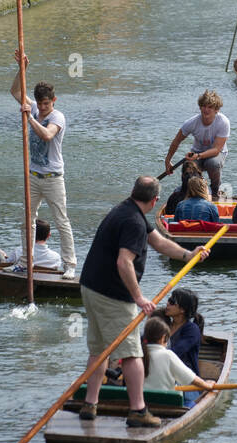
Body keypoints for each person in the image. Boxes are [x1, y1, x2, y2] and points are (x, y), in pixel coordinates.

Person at [77, 178, 210, 426]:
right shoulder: (133, 222)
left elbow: (158, 241)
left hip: (90, 287)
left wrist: (188, 255)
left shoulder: (125, 210)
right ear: (155, 201)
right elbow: (123, 262)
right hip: (112, 295)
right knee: (133, 354)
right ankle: (138, 410)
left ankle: (90, 403)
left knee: (99, 350)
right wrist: (139, 298)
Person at [11, 51, 76, 275]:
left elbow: (47, 135)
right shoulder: (36, 108)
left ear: (53, 101)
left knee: (61, 221)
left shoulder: (57, 117)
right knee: (26, 221)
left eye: (46, 103)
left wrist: (29, 117)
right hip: (33, 176)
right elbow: (16, 91)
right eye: (40, 103)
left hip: (53, 177)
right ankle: (24, 262)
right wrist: (22, 69)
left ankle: (69, 265)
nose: (43, 107)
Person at [164, 89, 230, 193]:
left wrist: (198, 156)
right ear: (200, 107)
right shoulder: (191, 122)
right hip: (197, 152)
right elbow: (176, 141)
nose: (206, 110)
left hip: (216, 154)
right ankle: (189, 190)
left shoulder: (223, 122)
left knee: (212, 163)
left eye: (210, 107)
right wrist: (168, 160)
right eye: (203, 106)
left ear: (216, 110)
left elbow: (216, 150)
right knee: (188, 166)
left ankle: (215, 190)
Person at [142, 316, 216, 397]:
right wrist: (207, 385)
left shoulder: (138, 355)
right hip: (166, 403)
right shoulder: (168, 355)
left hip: (142, 401)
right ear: (163, 338)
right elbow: (191, 378)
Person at [162, 287, 205, 406]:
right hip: (163, 375)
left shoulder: (191, 330)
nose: (167, 303)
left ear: (182, 309)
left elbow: (174, 353)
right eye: (168, 300)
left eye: (172, 302)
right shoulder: (163, 326)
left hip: (186, 381)